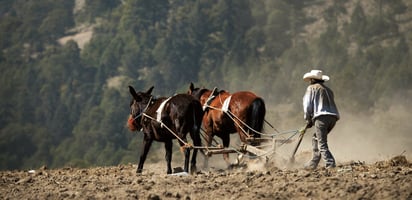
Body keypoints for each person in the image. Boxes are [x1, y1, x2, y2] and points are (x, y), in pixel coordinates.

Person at [302, 69, 340, 169]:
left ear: (312, 80)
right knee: (316, 138)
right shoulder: (328, 90)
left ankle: (330, 163)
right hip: (333, 118)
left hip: (321, 117)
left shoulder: (311, 88)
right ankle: (313, 163)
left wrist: (307, 119)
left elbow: (307, 105)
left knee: (321, 142)